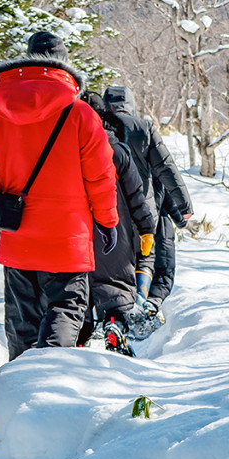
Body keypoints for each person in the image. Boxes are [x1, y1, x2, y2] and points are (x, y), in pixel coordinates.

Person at [0, 31, 118, 357]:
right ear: (62, 64)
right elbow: (100, 176)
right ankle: (51, 380)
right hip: (68, 237)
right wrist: (107, 221)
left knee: (22, 323)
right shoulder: (81, 114)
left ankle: (19, 394)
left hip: (18, 238)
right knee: (66, 309)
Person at [98, 84, 192, 307]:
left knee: (113, 258)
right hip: (144, 207)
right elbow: (166, 168)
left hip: (109, 206)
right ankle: (140, 302)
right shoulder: (144, 127)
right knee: (146, 257)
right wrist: (184, 204)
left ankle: (116, 309)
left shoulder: (97, 128)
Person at [80, 92, 158, 354]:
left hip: (76, 231)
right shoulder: (117, 149)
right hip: (115, 230)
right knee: (114, 286)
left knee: (78, 290)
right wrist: (146, 228)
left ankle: (79, 337)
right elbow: (137, 196)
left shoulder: (66, 150)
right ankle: (114, 323)